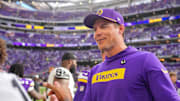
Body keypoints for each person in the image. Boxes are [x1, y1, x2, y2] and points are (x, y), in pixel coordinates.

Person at [44, 8, 180, 101]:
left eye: (104, 26)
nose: (97, 33)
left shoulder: (146, 60)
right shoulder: (95, 72)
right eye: (95, 29)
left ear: (120, 29)